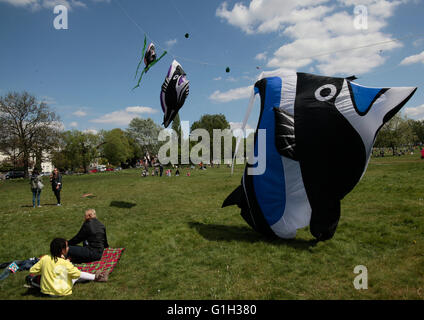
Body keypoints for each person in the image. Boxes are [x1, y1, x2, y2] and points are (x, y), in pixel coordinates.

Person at [29, 238, 108, 297]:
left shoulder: (45, 259)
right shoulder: (65, 263)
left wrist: (46, 269)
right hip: (63, 291)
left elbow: (32, 270)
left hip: (46, 292)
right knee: (75, 275)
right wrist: (66, 262)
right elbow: (78, 274)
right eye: (67, 247)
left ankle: (41, 284)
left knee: (36, 278)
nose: (68, 248)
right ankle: (96, 277)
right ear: (62, 250)